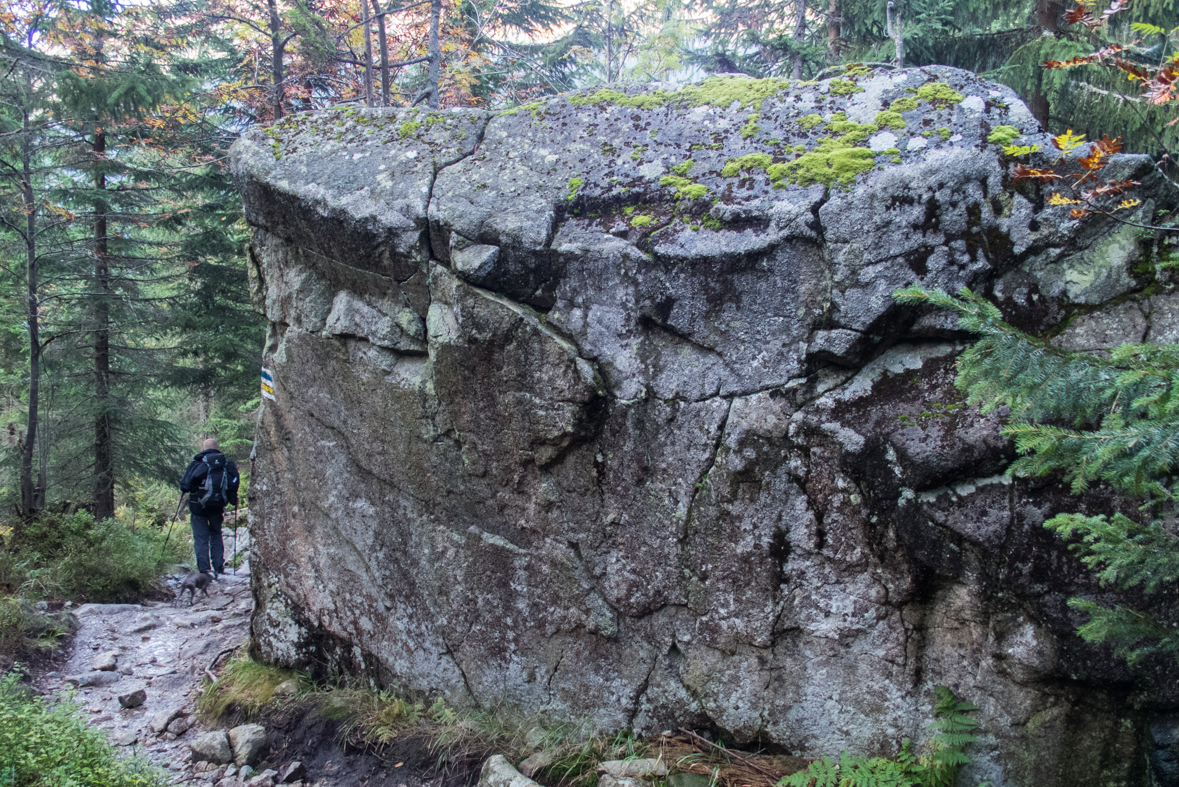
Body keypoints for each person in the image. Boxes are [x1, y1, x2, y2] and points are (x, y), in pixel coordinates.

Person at [179, 438, 240, 576]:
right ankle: (218, 567)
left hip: (198, 507)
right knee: (216, 534)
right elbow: (234, 482)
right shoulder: (227, 465)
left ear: (204, 449)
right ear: (218, 448)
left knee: (201, 537)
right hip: (217, 507)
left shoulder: (198, 464)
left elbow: (185, 485)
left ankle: (204, 570)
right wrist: (232, 499)